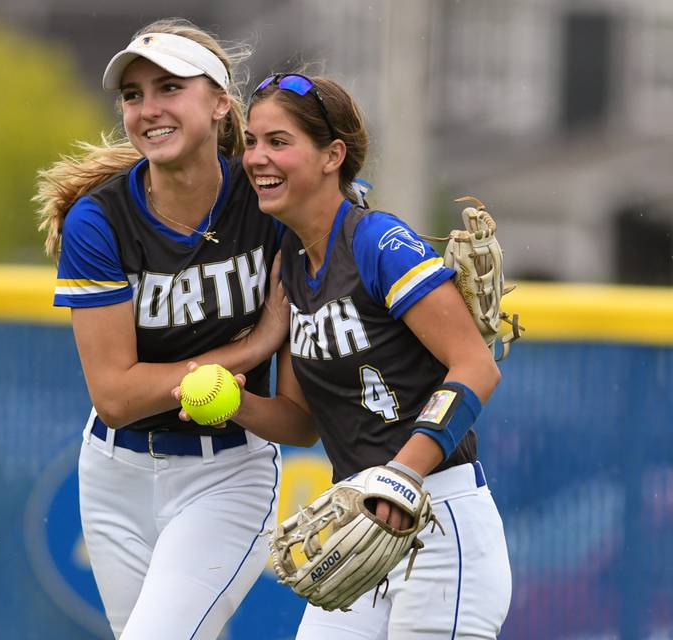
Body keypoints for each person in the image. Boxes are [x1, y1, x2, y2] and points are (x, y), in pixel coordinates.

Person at [226, 73, 512, 638]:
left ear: (334, 155)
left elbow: (477, 366)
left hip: (441, 524)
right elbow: (300, 422)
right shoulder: (291, 258)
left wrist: (400, 475)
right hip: (360, 517)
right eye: (252, 142)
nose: (258, 157)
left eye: (278, 142)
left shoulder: (377, 241)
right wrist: (233, 403)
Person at [34, 19, 289, 640]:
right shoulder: (101, 221)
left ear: (220, 103)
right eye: (132, 94)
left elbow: (347, 199)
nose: (148, 108)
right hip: (113, 476)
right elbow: (116, 397)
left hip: (228, 472)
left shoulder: (269, 201)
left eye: (170, 87)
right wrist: (253, 347)